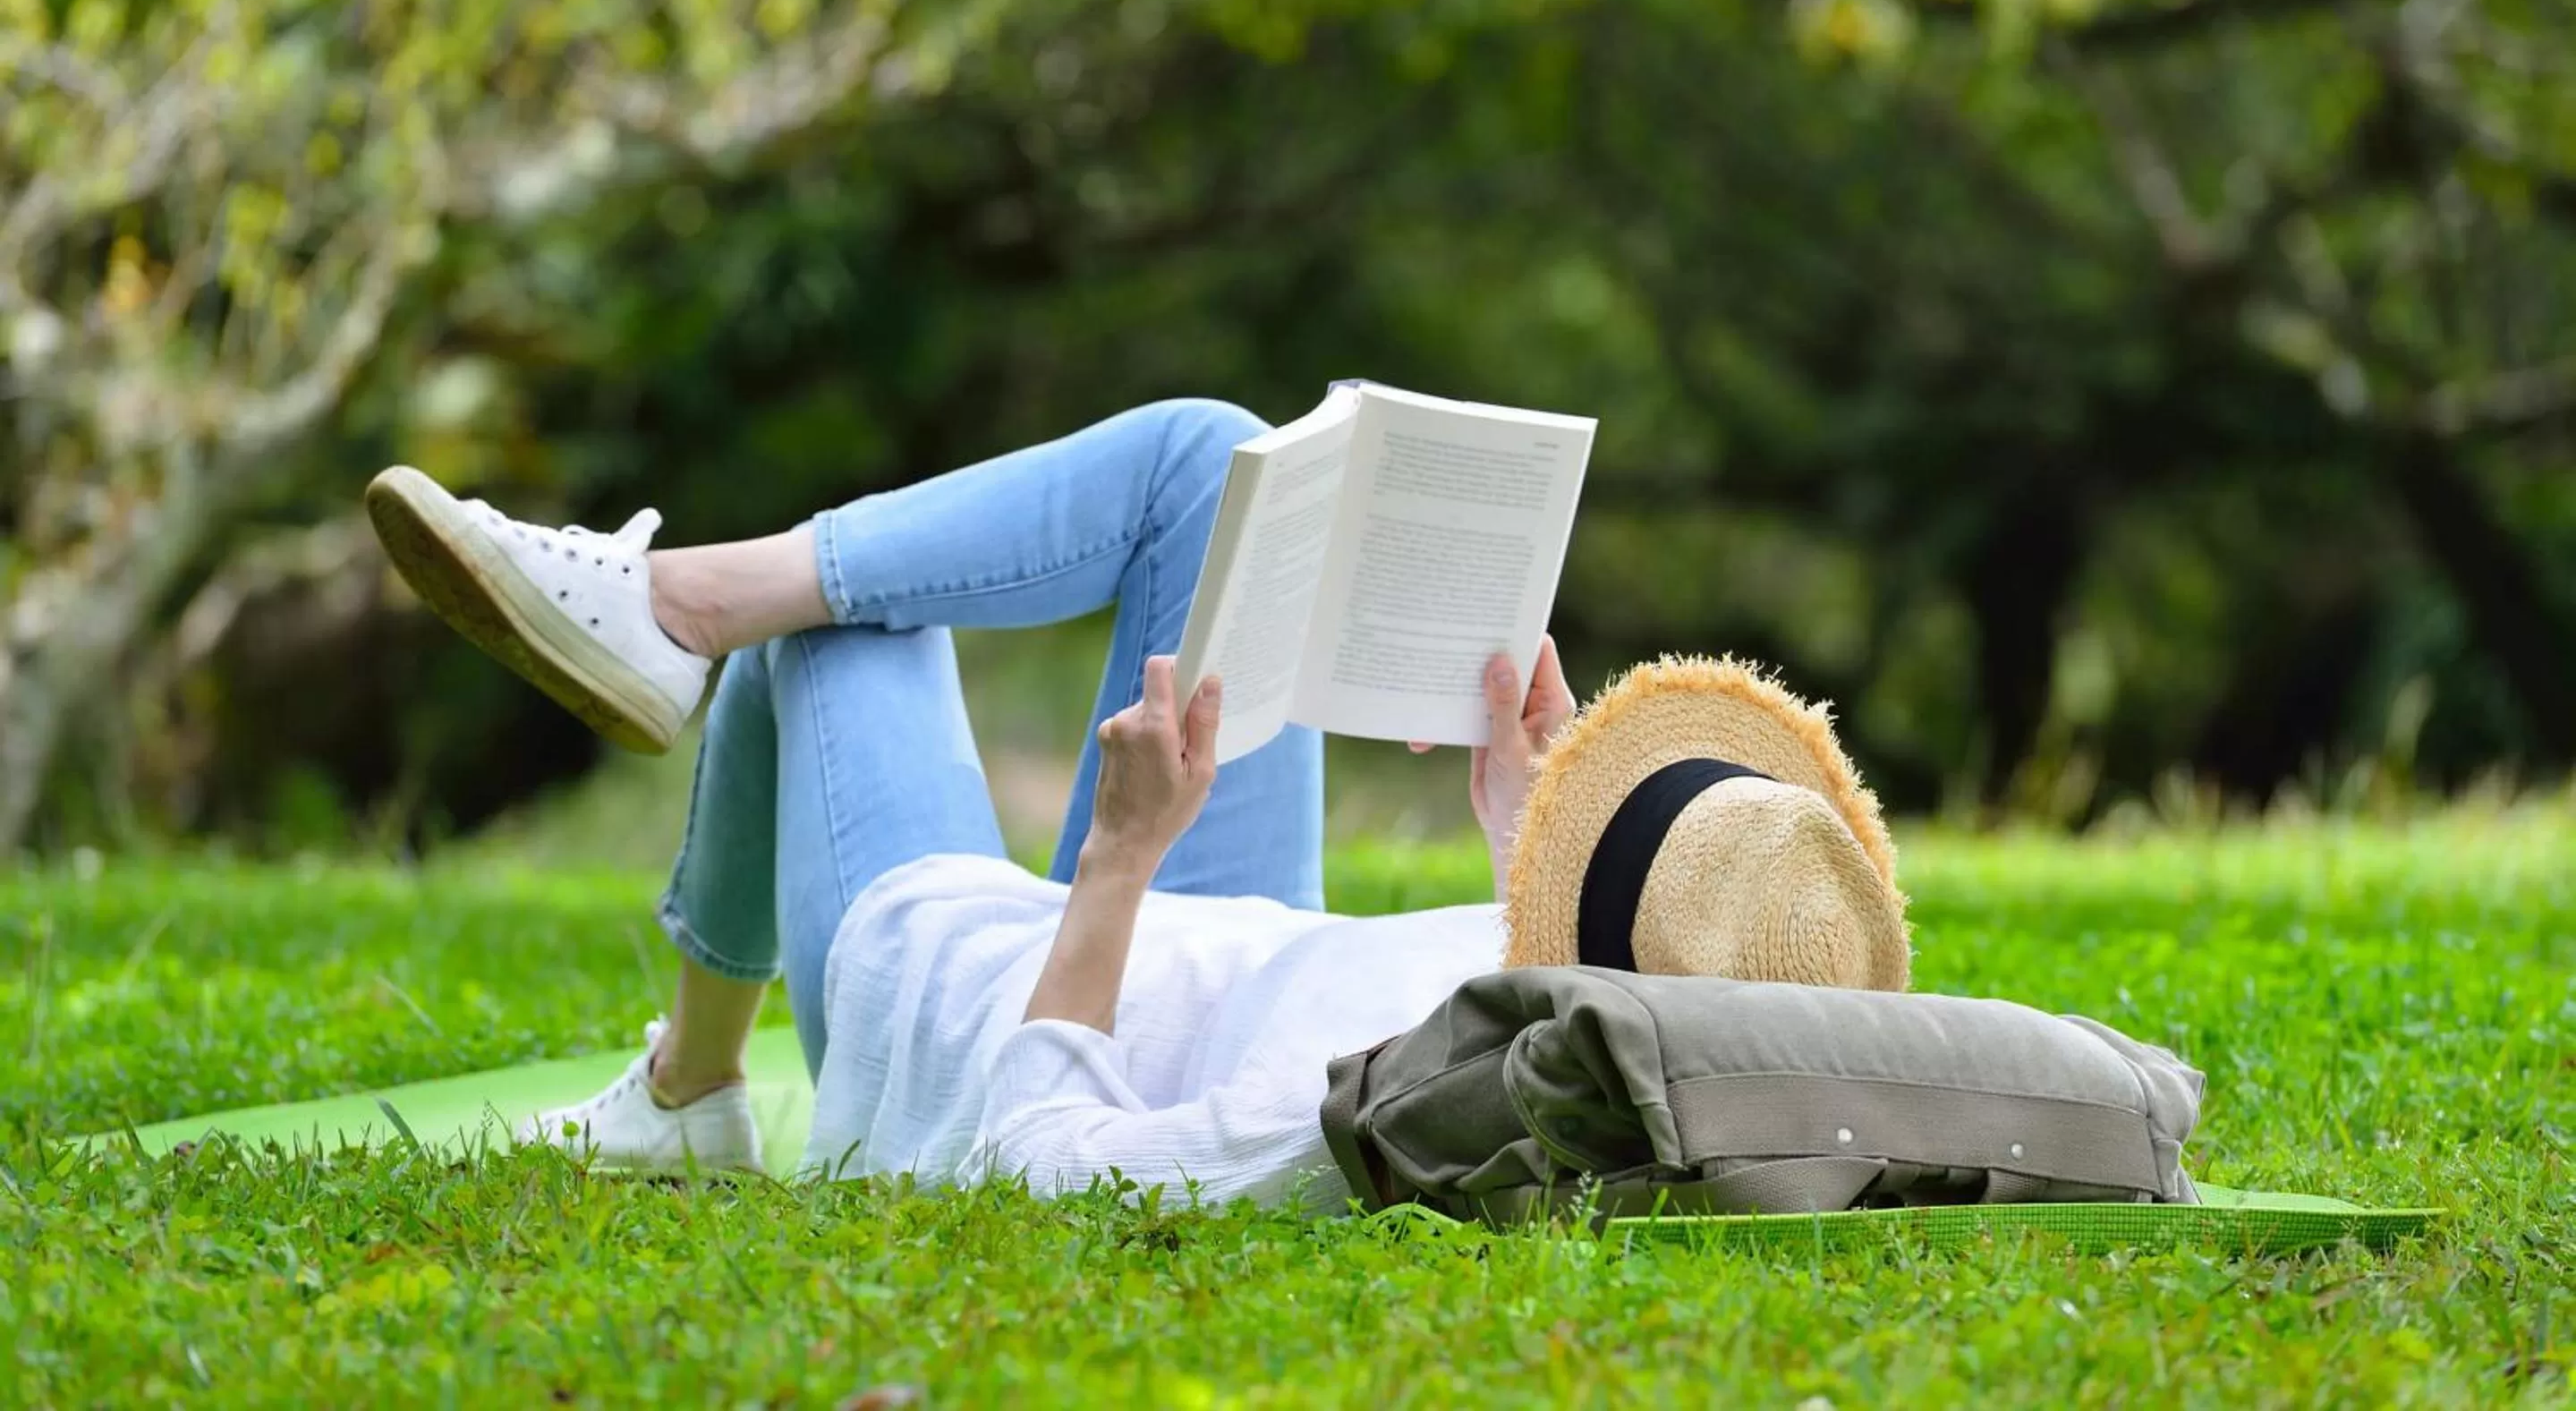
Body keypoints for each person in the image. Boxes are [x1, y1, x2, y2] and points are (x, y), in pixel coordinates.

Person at [366, 398, 1911, 1211]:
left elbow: (1044, 1163)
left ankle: (678, 628)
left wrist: (1118, 857)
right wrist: (1524, 834)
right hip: (1232, 942)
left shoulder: (1387, 1112)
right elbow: (1540, 1002)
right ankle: (685, 1067)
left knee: (835, 626)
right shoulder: (1638, 1026)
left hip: (978, 1007)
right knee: (1205, 460)